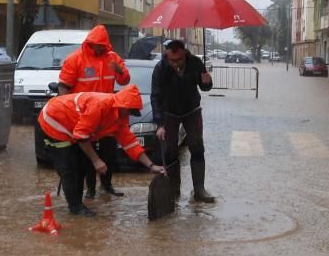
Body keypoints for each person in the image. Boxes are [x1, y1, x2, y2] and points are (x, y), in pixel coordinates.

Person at [38, 89, 166, 216]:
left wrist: (151, 165)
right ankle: (75, 208)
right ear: (122, 105)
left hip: (73, 127)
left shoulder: (120, 118)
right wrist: (96, 160)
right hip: (53, 119)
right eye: (130, 111)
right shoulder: (99, 106)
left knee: (81, 166)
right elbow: (81, 136)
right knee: (68, 169)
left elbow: (130, 143)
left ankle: (77, 204)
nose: (130, 115)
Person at [58, 24, 131, 198]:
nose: (101, 48)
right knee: (88, 156)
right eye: (98, 45)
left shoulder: (112, 58)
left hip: (106, 115)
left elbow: (124, 80)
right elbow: (63, 87)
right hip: (84, 115)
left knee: (109, 152)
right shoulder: (75, 59)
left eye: (104, 46)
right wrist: (66, 112)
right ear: (90, 43)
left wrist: (119, 70)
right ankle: (90, 189)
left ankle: (106, 186)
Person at [151, 38, 216, 203]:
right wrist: (159, 124)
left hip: (191, 110)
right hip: (169, 113)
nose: (175, 63)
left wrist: (207, 82)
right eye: (171, 60)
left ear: (184, 54)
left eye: (179, 60)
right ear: (167, 55)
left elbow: (204, 86)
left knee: (197, 146)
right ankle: (174, 190)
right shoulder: (160, 69)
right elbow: (155, 97)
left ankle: (199, 189)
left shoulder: (195, 63)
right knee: (170, 151)